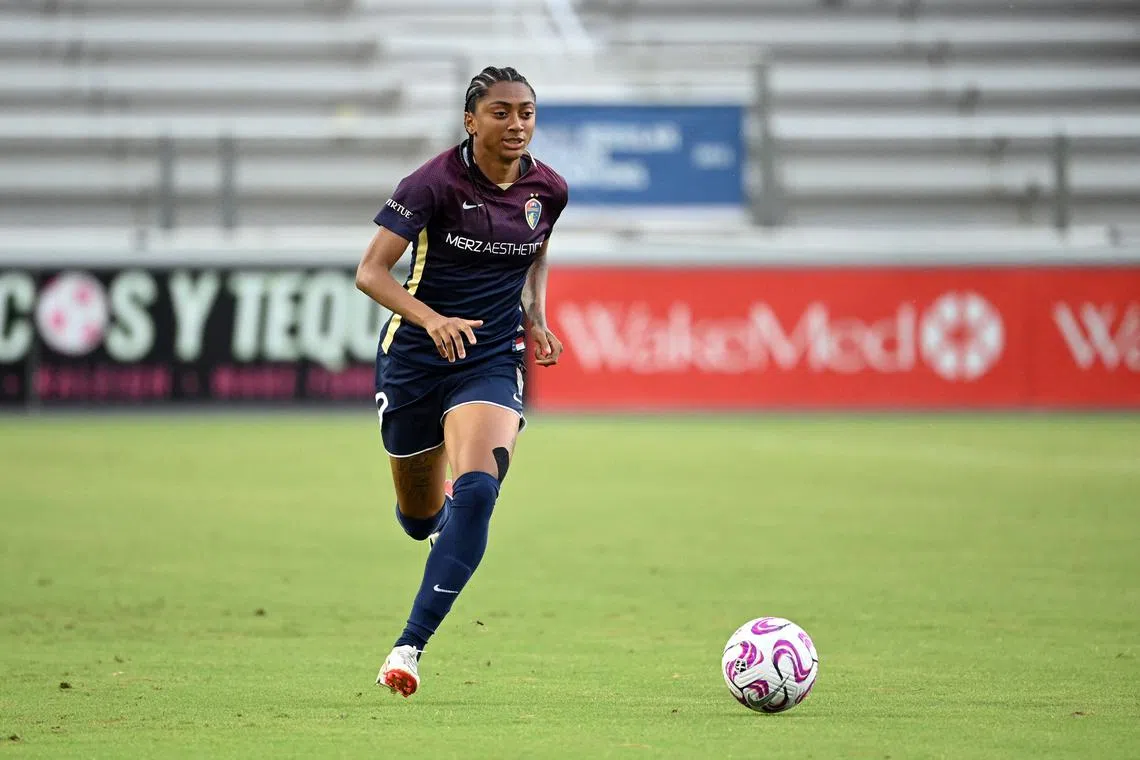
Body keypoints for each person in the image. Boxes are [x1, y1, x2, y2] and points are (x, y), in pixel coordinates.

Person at [354, 65, 569, 698]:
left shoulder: (548, 190)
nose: (516, 123)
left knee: (479, 491)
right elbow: (371, 272)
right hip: (416, 358)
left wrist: (537, 318)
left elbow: (537, 250)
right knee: (420, 521)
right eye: (500, 112)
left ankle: (408, 647)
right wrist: (431, 318)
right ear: (471, 120)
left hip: (491, 358)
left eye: (525, 111)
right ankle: (436, 514)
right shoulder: (432, 184)